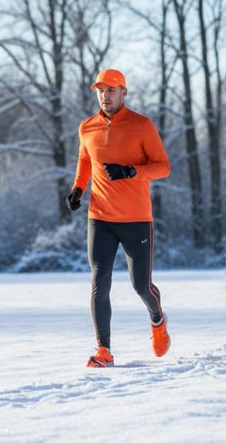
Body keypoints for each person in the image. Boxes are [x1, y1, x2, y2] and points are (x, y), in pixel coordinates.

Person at [66, 68, 171, 368]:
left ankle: (157, 319)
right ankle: (104, 350)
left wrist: (132, 172)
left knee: (141, 287)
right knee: (100, 280)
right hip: (99, 218)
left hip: (136, 219)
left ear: (124, 92)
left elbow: (163, 166)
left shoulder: (142, 125)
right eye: (100, 90)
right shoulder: (87, 127)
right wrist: (78, 188)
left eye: (111, 90)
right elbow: (85, 160)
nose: (105, 95)